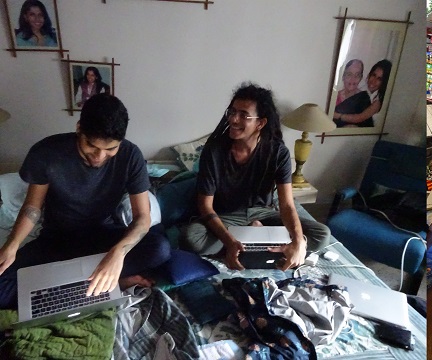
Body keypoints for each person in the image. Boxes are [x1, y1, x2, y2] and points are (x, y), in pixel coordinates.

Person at [0, 94, 171, 309]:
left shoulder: (131, 155)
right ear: (79, 128)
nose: (99, 157)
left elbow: (142, 218)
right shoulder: (46, 152)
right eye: (91, 146)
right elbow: (32, 208)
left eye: (110, 149)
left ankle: (78, 287)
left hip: (103, 238)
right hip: (57, 240)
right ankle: (106, 286)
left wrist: (118, 253)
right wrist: (12, 245)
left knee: (160, 248)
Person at [182, 83, 331, 271]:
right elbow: (205, 206)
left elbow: (286, 205)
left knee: (321, 234)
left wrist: (299, 241)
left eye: (244, 115)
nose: (234, 119)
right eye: (232, 112)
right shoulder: (214, 151)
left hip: (264, 212)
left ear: (260, 123)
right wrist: (229, 241)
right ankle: (258, 238)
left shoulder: (278, 153)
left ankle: (258, 237)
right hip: (226, 216)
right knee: (191, 237)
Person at [334, 59, 392, 128]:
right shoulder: (363, 94)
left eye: (379, 79)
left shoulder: (377, 101)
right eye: (374, 75)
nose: (374, 81)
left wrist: (337, 115)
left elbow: (358, 118)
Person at [332, 59, 371, 128]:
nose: (353, 79)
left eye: (357, 75)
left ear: (361, 78)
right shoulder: (334, 97)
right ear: (343, 76)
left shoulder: (364, 98)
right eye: (349, 74)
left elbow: (366, 126)